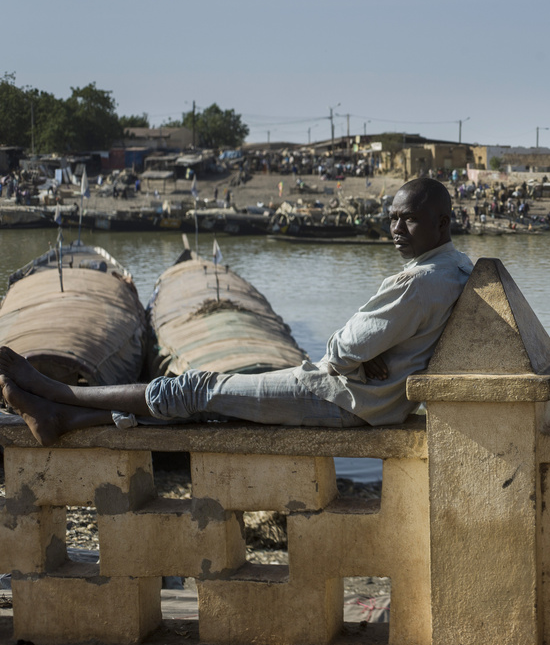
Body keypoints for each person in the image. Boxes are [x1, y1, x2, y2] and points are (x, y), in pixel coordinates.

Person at [1, 178, 473, 445]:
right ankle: (65, 417)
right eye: (391, 217)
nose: (396, 229)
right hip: (370, 400)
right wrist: (371, 351)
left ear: (442, 222)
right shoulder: (455, 268)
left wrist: (357, 352)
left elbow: (340, 350)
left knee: (197, 386)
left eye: (407, 218)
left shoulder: (419, 281)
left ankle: (55, 390)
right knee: (210, 405)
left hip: (340, 399)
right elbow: (365, 348)